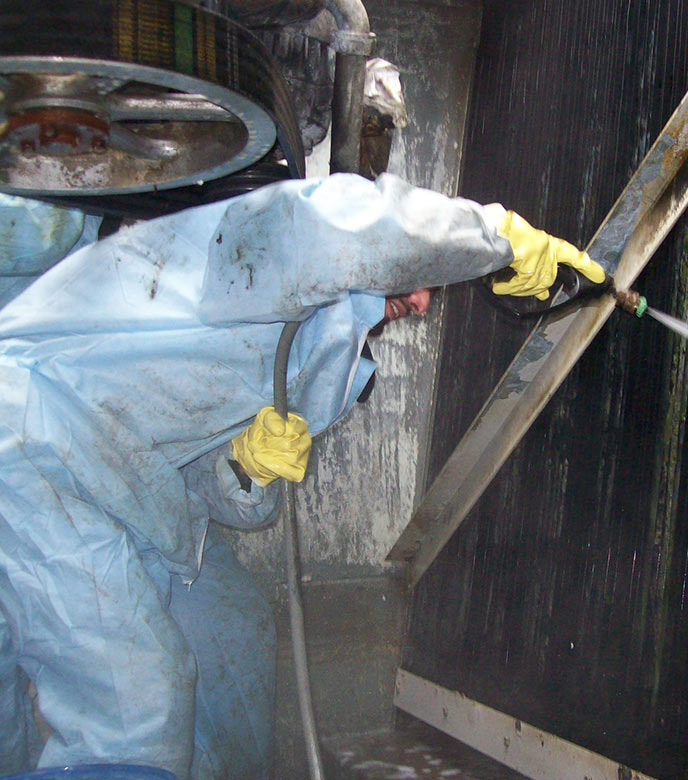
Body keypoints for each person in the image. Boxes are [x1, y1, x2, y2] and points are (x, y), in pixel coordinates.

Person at [0, 172, 606, 780]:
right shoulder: (266, 266)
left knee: (186, 668)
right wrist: (495, 236)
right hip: (39, 430)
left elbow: (209, 492)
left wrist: (244, 467)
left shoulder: (322, 367)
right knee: (136, 717)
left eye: (432, 297)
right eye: (428, 280)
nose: (422, 303)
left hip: (111, 486)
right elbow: (341, 225)